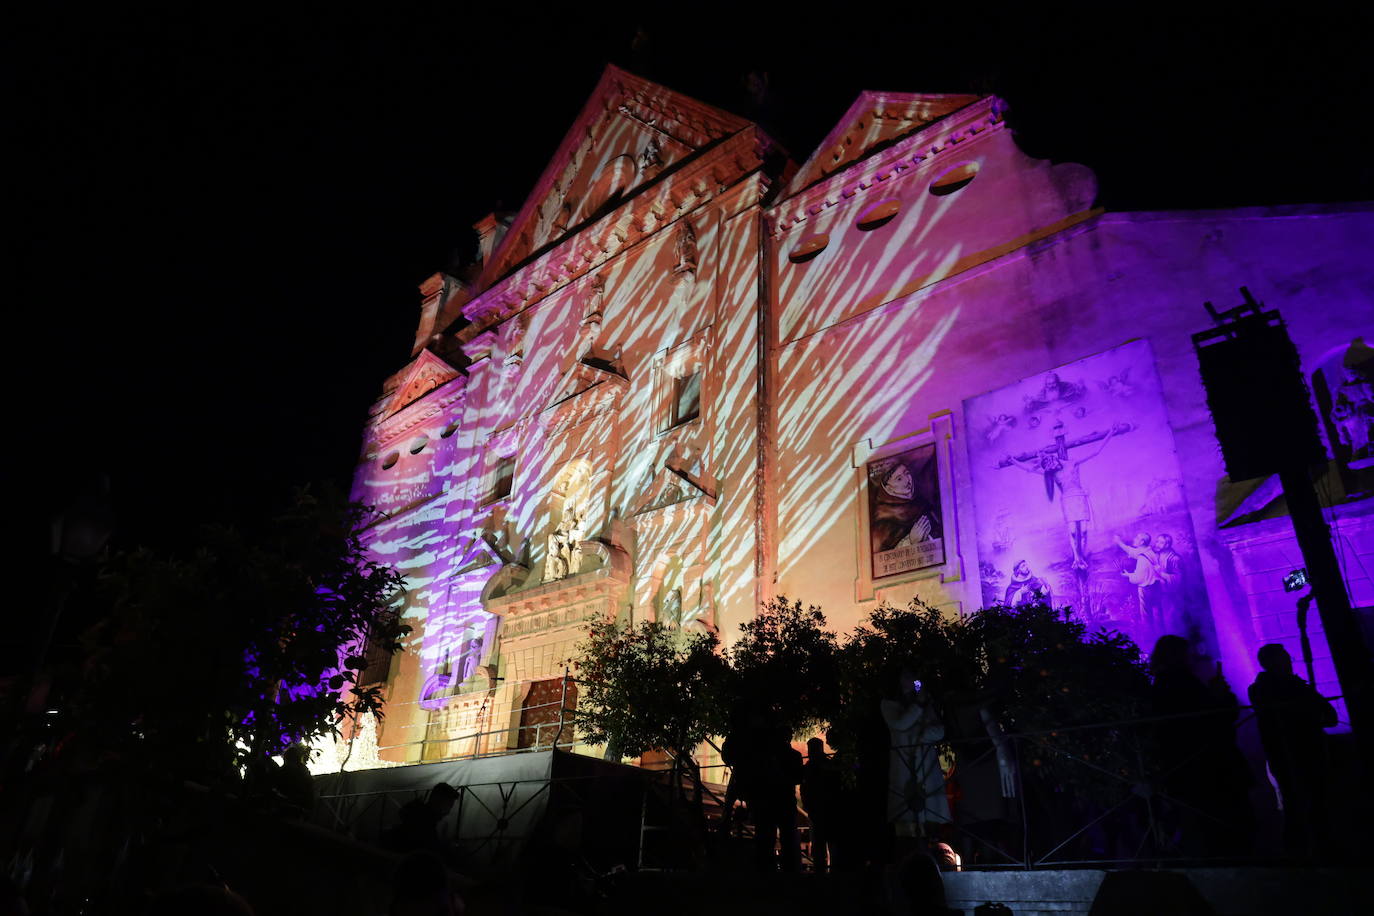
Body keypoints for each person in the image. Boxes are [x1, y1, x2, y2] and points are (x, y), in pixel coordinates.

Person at [1148, 635, 1253, 856]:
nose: (1193, 657)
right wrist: (1221, 696)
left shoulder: (1162, 683)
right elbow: (1213, 716)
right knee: (1221, 824)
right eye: (1187, 653)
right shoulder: (1182, 682)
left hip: (1187, 765)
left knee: (1201, 824)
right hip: (1207, 764)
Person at [1247, 643, 1337, 857]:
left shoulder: (1272, 687)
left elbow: (1326, 714)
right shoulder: (1277, 688)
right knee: (1303, 802)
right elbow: (1323, 714)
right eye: (1284, 657)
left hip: (1296, 751)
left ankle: (1306, 849)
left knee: (1304, 802)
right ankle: (1309, 850)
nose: (1289, 661)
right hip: (1294, 752)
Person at [881, 670, 950, 842]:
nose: (912, 681)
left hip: (926, 764)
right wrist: (918, 705)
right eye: (906, 676)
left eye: (914, 678)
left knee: (931, 818)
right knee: (907, 819)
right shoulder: (889, 704)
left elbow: (939, 730)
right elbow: (901, 723)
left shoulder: (925, 704)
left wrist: (925, 734)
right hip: (904, 764)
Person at [800, 737, 841, 871]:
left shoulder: (812, 767)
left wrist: (807, 803)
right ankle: (832, 872)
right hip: (826, 809)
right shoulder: (827, 765)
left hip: (820, 810)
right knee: (829, 844)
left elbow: (804, 787)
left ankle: (822, 873)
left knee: (821, 845)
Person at [385, 783, 460, 855]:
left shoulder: (418, 815)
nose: (448, 811)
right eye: (449, 805)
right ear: (437, 801)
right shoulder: (425, 824)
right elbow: (430, 850)